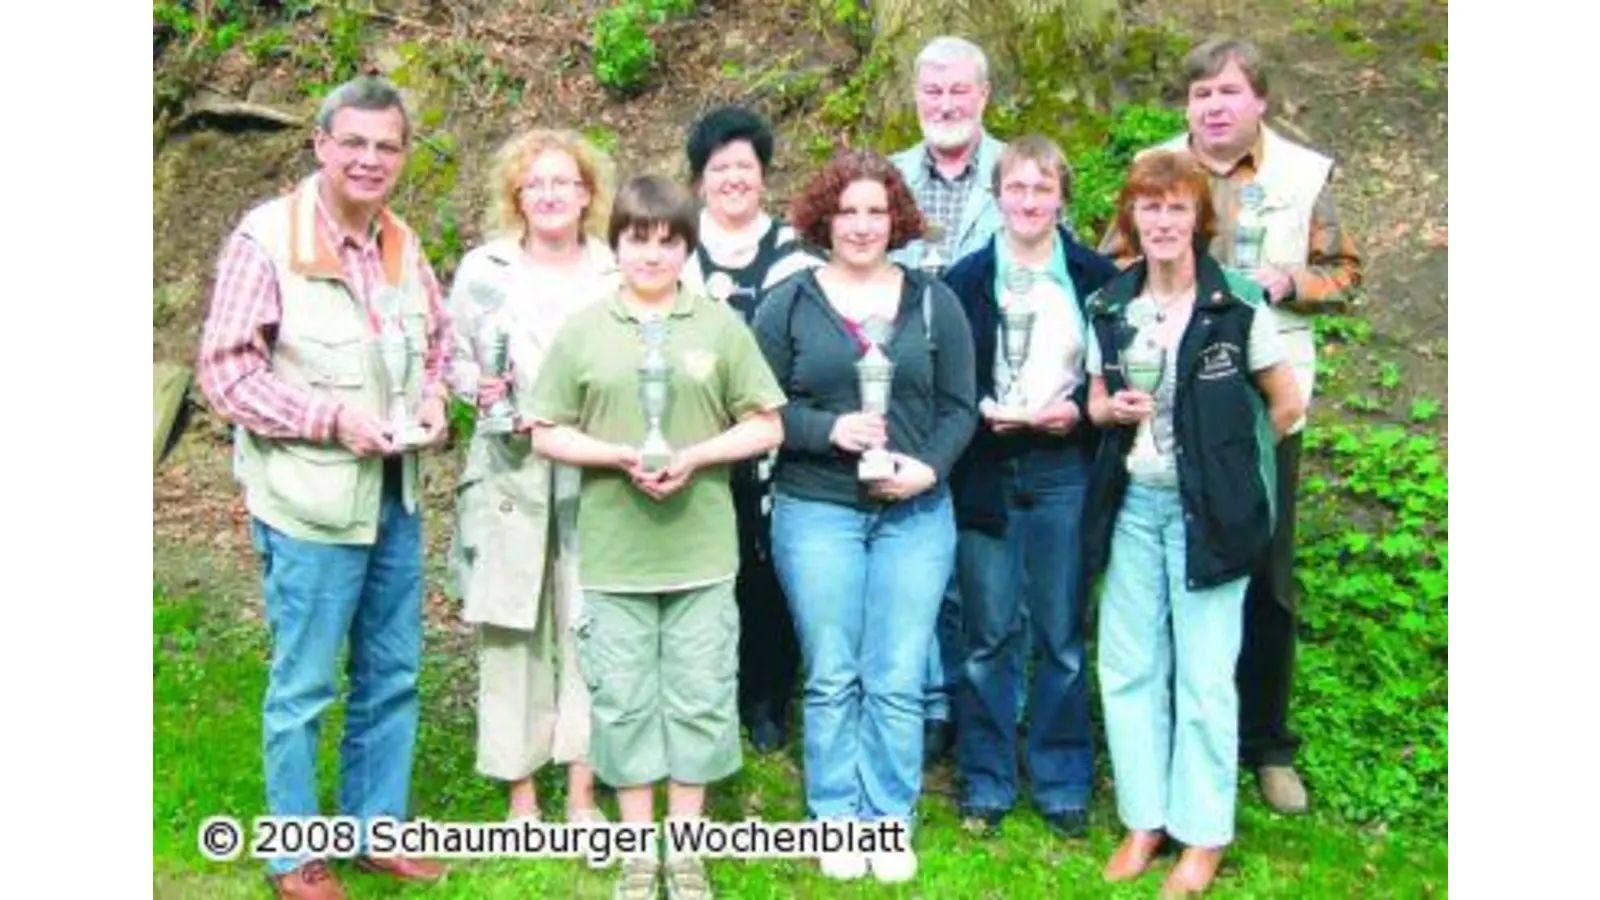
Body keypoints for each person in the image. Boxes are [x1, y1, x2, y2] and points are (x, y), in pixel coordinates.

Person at [194, 75, 449, 899]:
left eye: (388, 146)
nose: (371, 160)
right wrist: (330, 420)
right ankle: (295, 851)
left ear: (404, 155)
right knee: (304, 684)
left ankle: (377, 831)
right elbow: (227, 372)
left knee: (393, 672)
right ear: (321, 145)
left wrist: (438, 400)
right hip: (307, 503)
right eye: (356, 144)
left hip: (393, 497)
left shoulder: (404, 245)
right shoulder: (265, 239)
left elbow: (439, 347)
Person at [1101, 36, 1363, 815]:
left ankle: (1265, 743)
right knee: (1165, 566)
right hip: (1163, 398)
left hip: (1263, 396)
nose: (1212, 107)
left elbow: (1346, 273)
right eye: (1200, 94)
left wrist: (1288, 281)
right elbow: (1112, 261)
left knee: (1264, 574)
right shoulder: (1153, 168)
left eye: (1227, 93)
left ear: (1260, 102)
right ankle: (1170, 739)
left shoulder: (1302, 175)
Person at [525, 175, 786, 900]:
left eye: (668, 240)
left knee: (701, 696)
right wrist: (618, 456)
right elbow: (544, 432)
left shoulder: (718, 326)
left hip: (702, 552)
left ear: (685, 247)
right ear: (618, 242)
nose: (653, 253)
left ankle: (689, 853)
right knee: (626, 701)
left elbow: (768, 421)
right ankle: (642, 852)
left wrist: (697, 455)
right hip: (615, 556)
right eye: (639, 238)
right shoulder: (584, 330)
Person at [752, 150, 978, 884]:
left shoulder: (934, 301)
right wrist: (829, 432)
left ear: (897, 219)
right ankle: (834, 817)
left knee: (897, 672)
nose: (860, 225)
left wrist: (928, 469)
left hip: (915, 514)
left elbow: (957, 408)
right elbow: (762, 407)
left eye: (875, 211)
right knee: (831, 672)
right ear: (824, 218)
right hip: (819, 510)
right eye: (846, 211)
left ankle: (888, 820)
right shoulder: (789, 301)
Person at [1082, 149, 1304, 894]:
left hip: (1211, 516)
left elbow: (1285, 401)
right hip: (1134, 508)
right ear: (1132, 219)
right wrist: (1108, 410)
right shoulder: (1110, 305)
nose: (1163, 220)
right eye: (1150, 207)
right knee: (1128, 666)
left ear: (1199, 219)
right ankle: (1145, 820)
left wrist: (1237, 471)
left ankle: (1203, 835)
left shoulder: (1238, 300)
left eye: (1177, 207)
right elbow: (1092, 400)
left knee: (1207, 677)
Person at [942, 135, 1118, 840]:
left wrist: (1079, 415)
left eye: (1042, 189)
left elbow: (1118, 377)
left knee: (1062, 633)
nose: (1028, 201)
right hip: (987, 467)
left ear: (1062, 198)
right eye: (1016, 188)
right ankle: (985, 777)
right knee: (987, 633)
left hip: (1061, 468)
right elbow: (950, 379)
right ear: (997, 195)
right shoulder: (964, 279)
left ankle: (1061, 776)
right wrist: (979, 413)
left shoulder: (1096, 277)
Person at [444, 128, 618, 837]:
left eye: (563, 181)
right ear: (517, 194)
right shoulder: (483, 270)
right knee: (510, 626)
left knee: (593, 623)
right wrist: (479, 390)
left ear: (586, 194)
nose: (549, 193)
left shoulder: (615, 267)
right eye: (535, 182)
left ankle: (582, 788)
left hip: (593, 464)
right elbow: (451, 360)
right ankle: (520, 794)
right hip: (509, 467)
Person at [678, 105, 824, 754]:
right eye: (719, 168)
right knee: (703, 570)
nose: (733, 179)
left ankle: (766, 701)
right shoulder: (675, 247)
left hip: (774, 440)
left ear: (764, 175)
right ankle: (705, 695)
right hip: (692, 438)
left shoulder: (797, 256)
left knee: (767, 572)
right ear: (699, 179)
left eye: (745, 167)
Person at [887, 33, 1006, 760]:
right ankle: (929, 703)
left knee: (984, 566)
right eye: (933, 92)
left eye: (959, 91)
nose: (946, 104)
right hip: (910, 402)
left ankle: (983, 708)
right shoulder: (890, 179)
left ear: (983, 97)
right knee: (920, 556)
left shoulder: (1017, 174)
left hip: (999, 402)